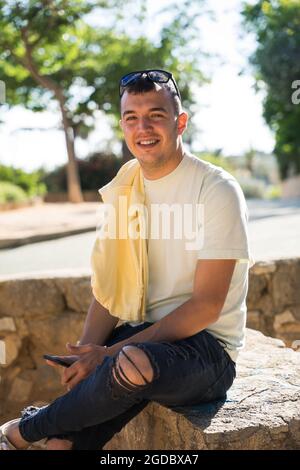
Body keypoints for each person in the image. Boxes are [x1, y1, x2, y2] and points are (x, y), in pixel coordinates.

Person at [0, 69, 253, 450]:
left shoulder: (215, 189)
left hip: (208, 352)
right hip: (141, 336)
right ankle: (51, 436)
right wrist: (87, 353)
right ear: (122, 126)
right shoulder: (128, 183)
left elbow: (206, 307)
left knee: (132, 362)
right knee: (64, 442)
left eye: (155, 115)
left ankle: (22, 430)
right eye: (132, 118)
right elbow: (112, 283)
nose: (143, 127)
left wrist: (108, 353)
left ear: (179, 122)